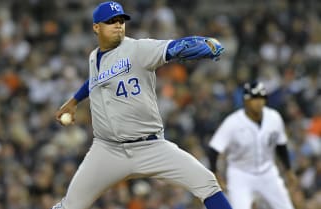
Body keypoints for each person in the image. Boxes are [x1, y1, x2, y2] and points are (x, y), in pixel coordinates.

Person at [52, 1, 231, 209]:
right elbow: (95, 80)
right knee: (70, 205)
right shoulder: (94, 57)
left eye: (120, 20)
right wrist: (74, 101)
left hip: (150, 147)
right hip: (106, 150)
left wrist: (202, 44)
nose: (118, 25)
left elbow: (172, 48)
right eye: (111, 22)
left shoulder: (138, 49)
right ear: (96, 27)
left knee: (206, 182)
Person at [208, 81, 296, 209]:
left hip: (268, 172)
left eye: (261, 98)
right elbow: (214, 149)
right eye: (254, 98)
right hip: (240, 175)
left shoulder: (274, 118)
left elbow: (281, 145)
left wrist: (288, 170)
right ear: (246, 101)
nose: (259, 102)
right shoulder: (233, 122)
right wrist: (215, 174)